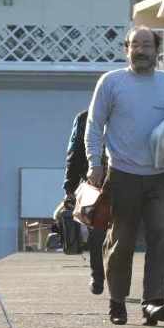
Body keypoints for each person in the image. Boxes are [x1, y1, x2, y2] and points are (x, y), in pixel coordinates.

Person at [85, 26, 164, 326]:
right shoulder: (111, 82)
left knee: (160, 239)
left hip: (161, 175)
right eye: (135, 45)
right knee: (121, 241)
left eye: (147, 45)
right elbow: (94, 124)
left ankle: (153, 302)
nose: (141, 51)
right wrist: (94, 164)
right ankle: (117, 301)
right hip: (122, 173)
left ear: (157, 50)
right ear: (126, 49)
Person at [61, 109, 107, 293]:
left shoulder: (84, 117)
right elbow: (74, 153)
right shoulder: (84, 118)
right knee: (104, 232)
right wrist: (70, 187)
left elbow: (73, 153)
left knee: (100, 231)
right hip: (106, 181)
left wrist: (69, 188)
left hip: (104, 181)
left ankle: (99, 277)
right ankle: (101, 277)